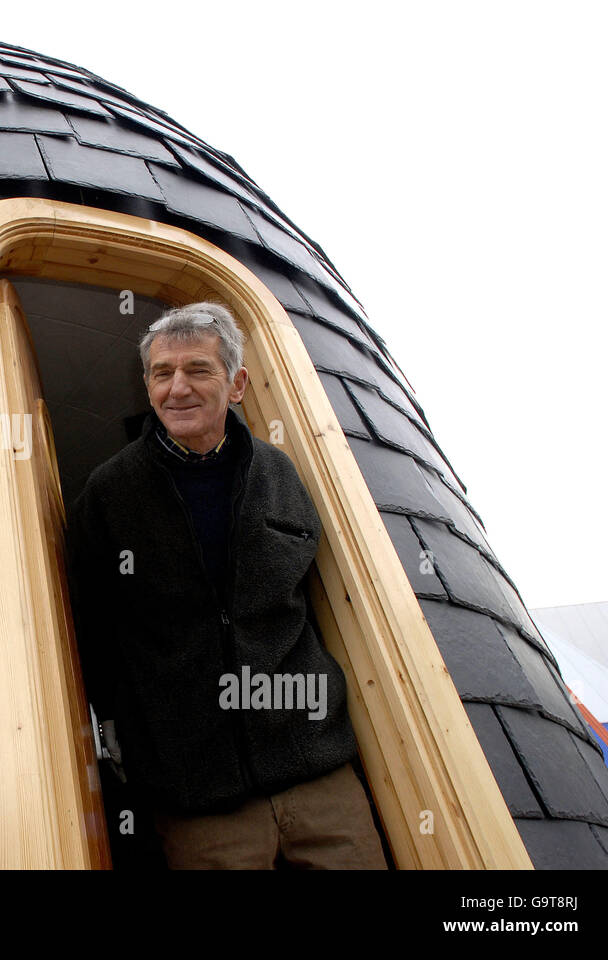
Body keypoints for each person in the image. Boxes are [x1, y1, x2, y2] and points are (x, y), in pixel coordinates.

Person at [66, 301, 387, 869]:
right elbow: (91, 623)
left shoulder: (280, 474)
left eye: (198, 370)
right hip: (195, 791)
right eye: (162, 374)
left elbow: (312, 602)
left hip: (317, 770)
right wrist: (116, 727)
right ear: (147, 386)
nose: (178, 388)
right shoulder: (108, 493)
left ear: (236, 383)